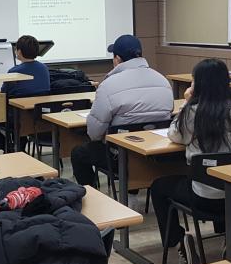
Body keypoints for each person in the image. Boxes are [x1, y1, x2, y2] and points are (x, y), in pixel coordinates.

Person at [150, 59, 231, 261]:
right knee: (224, 171)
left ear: (198, 83)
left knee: (159, 186)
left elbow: (175, 135)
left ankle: (177, 240)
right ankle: (229, 235)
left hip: (205, 199)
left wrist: (187, 102)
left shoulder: (194, 111)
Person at [70, 34, 173, 187]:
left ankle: (92, 194)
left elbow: (94, 133)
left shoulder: (109, 85)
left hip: (120, 158)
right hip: (157, 156)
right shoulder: (163, 81)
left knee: (79, 153)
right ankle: (132, 192)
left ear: (117, 59)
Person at [0, 35, 51, 147]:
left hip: (16, 118)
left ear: (19, 52)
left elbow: (4, 94)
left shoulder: (14, 72)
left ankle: (7, 147)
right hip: (38, 116)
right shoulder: (44, 68)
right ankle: (19, 145)